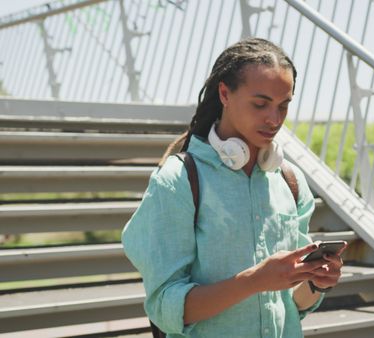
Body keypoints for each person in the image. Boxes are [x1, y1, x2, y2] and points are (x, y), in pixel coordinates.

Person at [122, 38, 345, 337]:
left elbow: (293, 305)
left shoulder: (290, 182)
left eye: (284, 106)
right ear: (225, 93)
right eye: (260, 104)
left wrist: (316, 282)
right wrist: (255, 280)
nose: (274, 119)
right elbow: (165, 308)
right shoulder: (177, 181)